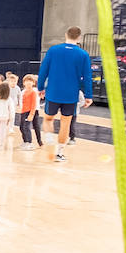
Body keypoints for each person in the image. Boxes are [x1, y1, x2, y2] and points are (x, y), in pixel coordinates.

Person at [37, 26, 94, 163]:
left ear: (65, 35)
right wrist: (88, 96)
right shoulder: (83, 54)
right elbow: (87, 77)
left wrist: (40, 87)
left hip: (54, 91)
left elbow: (43, 70)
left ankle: (49, 138)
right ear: (79, 38)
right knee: (65, 123)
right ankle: (60, 152)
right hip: (71, 94)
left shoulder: (53, 50)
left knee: (48, 118)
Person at [18, 74, 40, 149]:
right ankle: (25, 141)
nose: (28, 82)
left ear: (33, 83)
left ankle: (29, 143)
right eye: (27, 81)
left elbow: (34, 104)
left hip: (29, 112)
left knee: (27, 127)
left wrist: (31, 114)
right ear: (24, 83)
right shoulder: (23, 92)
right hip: (23, 112)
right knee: (21, 127)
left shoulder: (33, 92)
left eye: (30, 81)